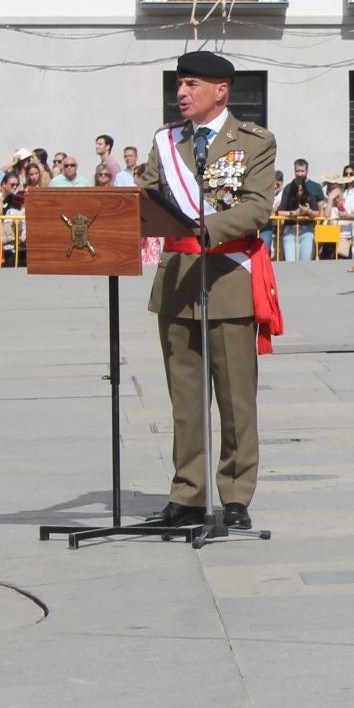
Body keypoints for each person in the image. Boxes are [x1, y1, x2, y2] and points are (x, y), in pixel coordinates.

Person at [136, 49, 280, 531]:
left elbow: (258, 206)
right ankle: (188, 493)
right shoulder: (166, 142)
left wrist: (206, 227)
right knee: (186, 397)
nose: (181, 93)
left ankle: (236, 495)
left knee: (237, 398)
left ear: (221, 91)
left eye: (192, 84)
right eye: (180, 85)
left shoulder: (254, 142)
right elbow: (146, 198)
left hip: (228, 277)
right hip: (177, 281)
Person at [275, 159, 326, 263]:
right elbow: (280, 211)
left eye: (302, 171)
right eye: (297, 171)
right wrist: (295, 213)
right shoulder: (288, 188)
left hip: (308, 228)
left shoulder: (314, 187)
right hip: (290, 228)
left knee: (305, 261)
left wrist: (308, 211)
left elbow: (319, 212)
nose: (300, 174)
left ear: (307, 170)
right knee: (290, 261)